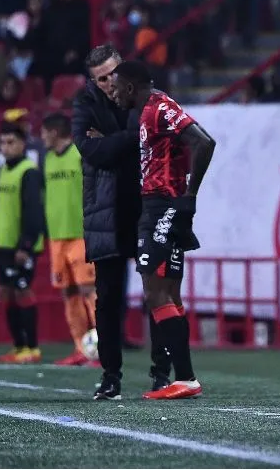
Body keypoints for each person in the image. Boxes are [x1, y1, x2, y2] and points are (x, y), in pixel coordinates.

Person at [110, 59, 216, 400]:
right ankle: (184, 378)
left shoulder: (159, 107)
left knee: (155, 291)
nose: (112, 94)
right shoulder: (145, 112)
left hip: (163, 206)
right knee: (168, 293)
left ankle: (184, 377)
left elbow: (204, 142)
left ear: (129, 87)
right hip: (163, 205)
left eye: (114, 87)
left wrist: (188, 197)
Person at [72, 45, 146, 401]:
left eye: (111, 76)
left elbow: (142, 141)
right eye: (100, 79)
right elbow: (89, 150)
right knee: (108, 300)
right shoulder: (84, 104)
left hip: (146, 204)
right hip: (105, 210)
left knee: (159, 291)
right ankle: (111, 376)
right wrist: (131, 140)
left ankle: (164, 374)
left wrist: (111, 142)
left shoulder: (143, 95)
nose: (107, 84)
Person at [41, 112, 98, 366]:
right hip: (57, 238)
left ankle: (101, 348)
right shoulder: (48, 159)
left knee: (90, 291)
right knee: (69, 293)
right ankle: (80, 349)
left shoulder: (79, 155)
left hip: (80, 235)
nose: (41, 137)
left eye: (44, 132)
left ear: (54, 132)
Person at [0, 123, 45, 364]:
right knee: (7, 293)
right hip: (4, 244)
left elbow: (34, 211)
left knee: (23, 291)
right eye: (2, 143)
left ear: (23, 144)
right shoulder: (4, 170)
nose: (5, 148)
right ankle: (18, 346)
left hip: (21, 246)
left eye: (11, 142)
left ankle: (32, 347)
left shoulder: (29, 171)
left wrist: (26, 245)